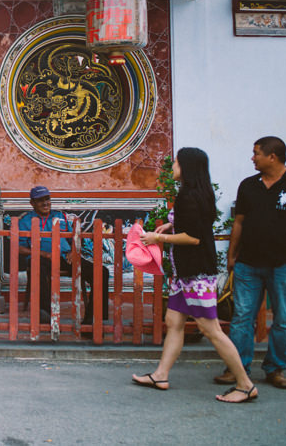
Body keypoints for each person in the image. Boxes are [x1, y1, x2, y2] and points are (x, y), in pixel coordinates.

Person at [131, 147, 258, 403]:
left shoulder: (189, 197)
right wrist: (171, 225)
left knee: (210, 329)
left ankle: (245, 385)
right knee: (174, 322)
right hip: (185, 273)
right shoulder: (194, 193)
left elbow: (193, 238)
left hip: (196, 273)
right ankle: (161, 375)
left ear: (186, 167)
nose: (173, 167)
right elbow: (191, 225)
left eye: (176, 163)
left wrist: (158, 236)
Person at [214, 136, 286, 390]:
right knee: (242, 316)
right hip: (248, 262)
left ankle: (275, 368)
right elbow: (239, 222)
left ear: (272, 157)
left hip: (282, 264)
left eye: (256, 153)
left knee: (283, 318)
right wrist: (232, 256)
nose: (252, 157)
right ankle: (237, 368)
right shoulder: (248, 185)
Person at [18, 186, 109, 325]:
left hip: (64, 257)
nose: (45, 203)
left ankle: (94, 318)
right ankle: (45, 313)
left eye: (47, 199)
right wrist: (42, 253)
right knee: (36, 266)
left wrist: (73, 251)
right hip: (41, 258)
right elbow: (19, 248)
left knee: (102, 271)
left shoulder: (60, 216)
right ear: (32, 203)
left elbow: (73, 237)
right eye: (40, 200)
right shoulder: (25, 221)